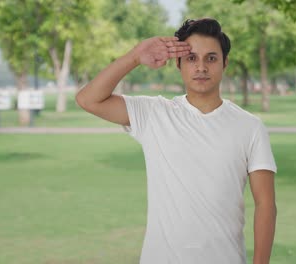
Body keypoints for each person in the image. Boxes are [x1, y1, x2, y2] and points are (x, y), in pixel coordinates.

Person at [76, 18, 277, 264]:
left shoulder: (250, 127)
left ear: (225, 63)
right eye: (192, 58)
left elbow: (265, 204)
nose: (201, 67)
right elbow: (88, 99)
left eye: (211, 58)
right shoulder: (154, 114)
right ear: (178, 64)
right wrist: (135, 56)